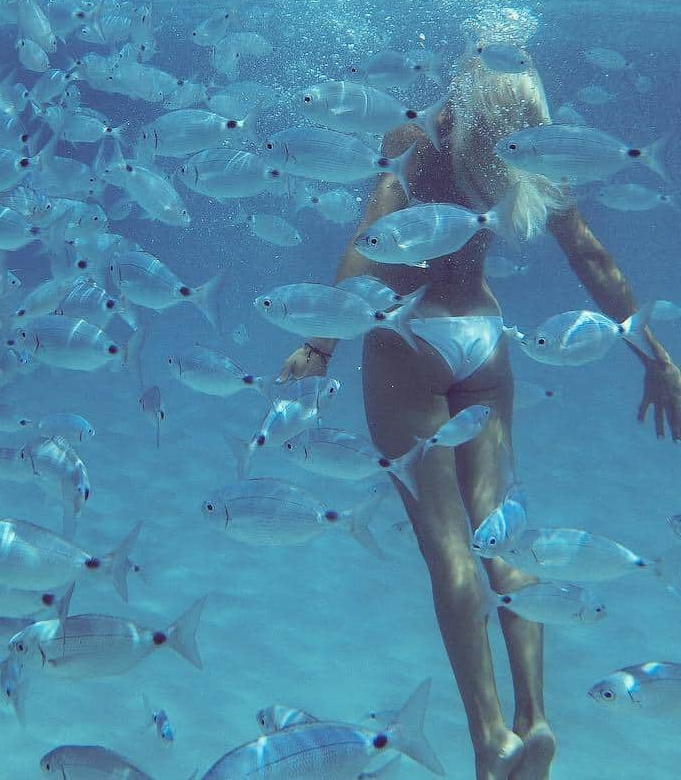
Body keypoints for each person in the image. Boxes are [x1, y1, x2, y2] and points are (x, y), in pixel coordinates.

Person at [278, 44, 681, 780]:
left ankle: (491, 737)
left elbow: (367, 243)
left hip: (410, 340)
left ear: (462, 84)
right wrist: (658, 359)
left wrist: (317, 344)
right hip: (484, 340)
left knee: (450, 549)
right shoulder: (533, 158)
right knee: (506, 537)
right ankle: (537, 715)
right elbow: (589, 255)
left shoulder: (412, 138)